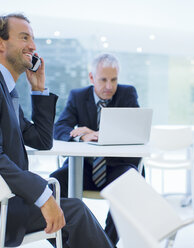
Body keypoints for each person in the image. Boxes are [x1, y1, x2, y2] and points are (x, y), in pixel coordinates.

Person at [0, 13, 114, 248]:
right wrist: (43, 196)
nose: (32, 45)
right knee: (75, 212)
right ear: (0, 43)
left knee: (69, 213)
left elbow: (42, 140)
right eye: (24, 37)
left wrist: (38, 90)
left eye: (33, 39)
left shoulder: (4, 90)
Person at [51, 53, 141, 245]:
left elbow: (134, 132)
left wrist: (99, 134)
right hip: (82, 169)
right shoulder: (78, 96)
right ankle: (67, 244)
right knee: (54, 184)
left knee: (130, 182)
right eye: (103, 79)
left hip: (116, 168)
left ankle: (107, 244)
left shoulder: (127, 94)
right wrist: (81, 135)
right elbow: (59, 128)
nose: (109, 86)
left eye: (114, 80)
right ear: (92, 78)